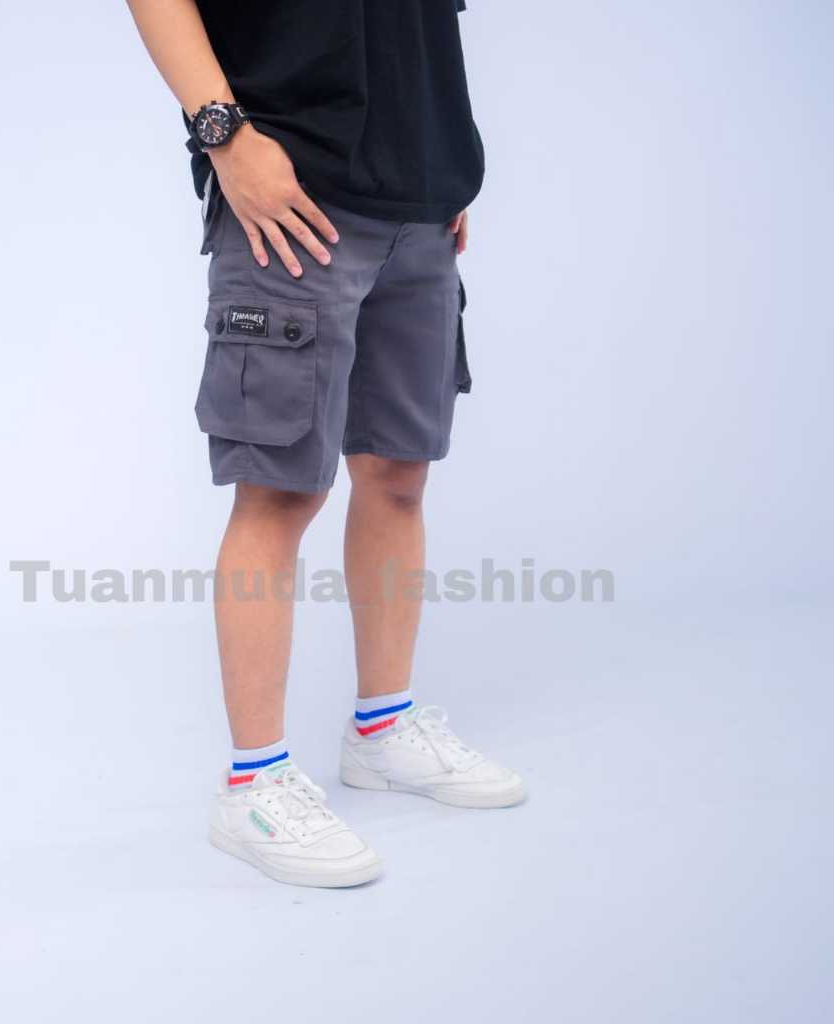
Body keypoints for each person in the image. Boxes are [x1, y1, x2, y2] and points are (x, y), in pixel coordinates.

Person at [126, 0, 526, 888]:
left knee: (398, 475)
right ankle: (253, 785)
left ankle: (382, 728)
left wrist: (443, 161)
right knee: (279, 491)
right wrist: (225, 138)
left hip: (424, 201)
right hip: (294, 196)